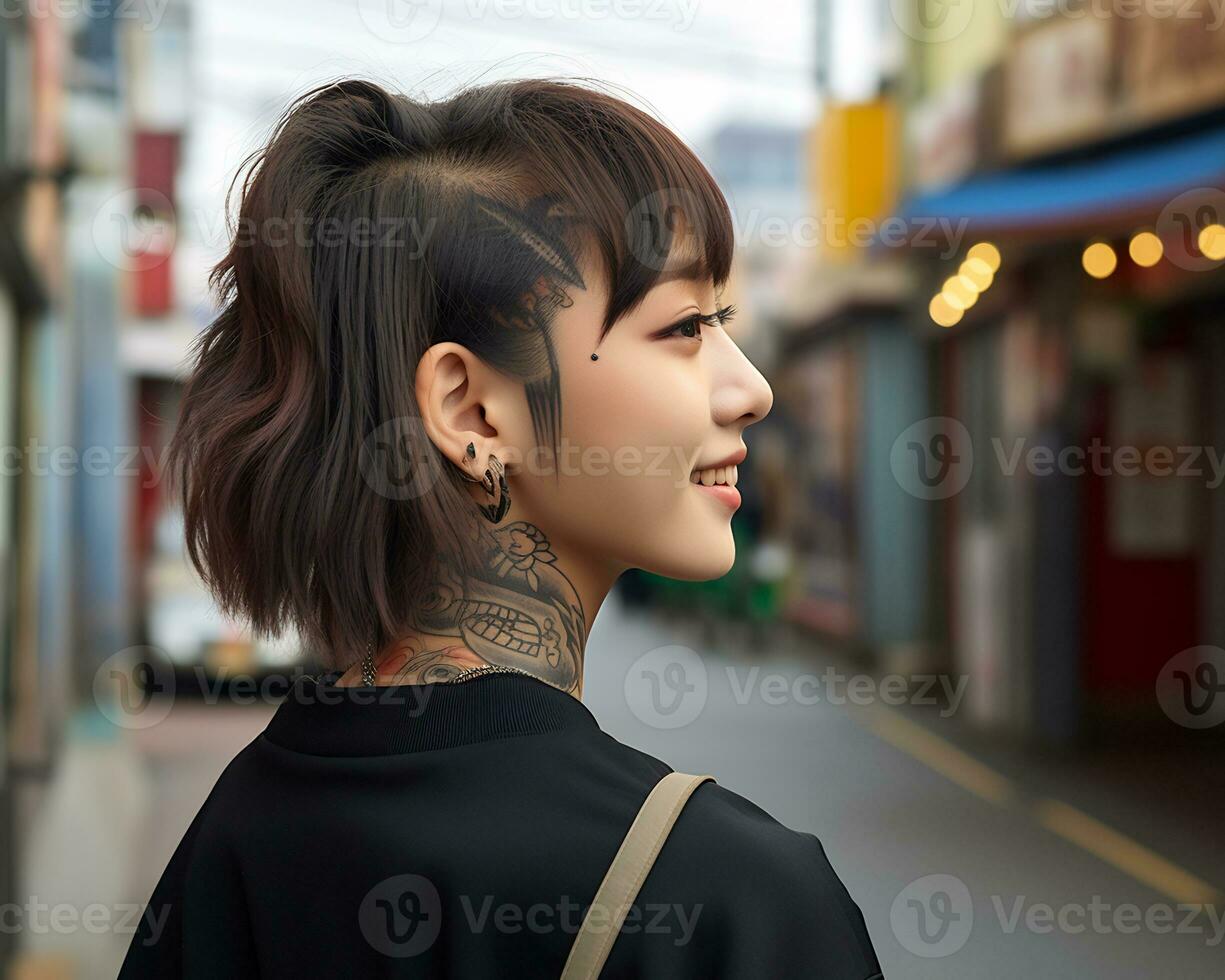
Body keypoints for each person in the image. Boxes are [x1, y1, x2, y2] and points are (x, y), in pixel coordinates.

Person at [117, 76, 883, 979]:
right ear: (472, 411)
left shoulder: (236, 835)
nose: (750, 389)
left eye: (724, 322)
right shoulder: (733, 901)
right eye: (684, 326)